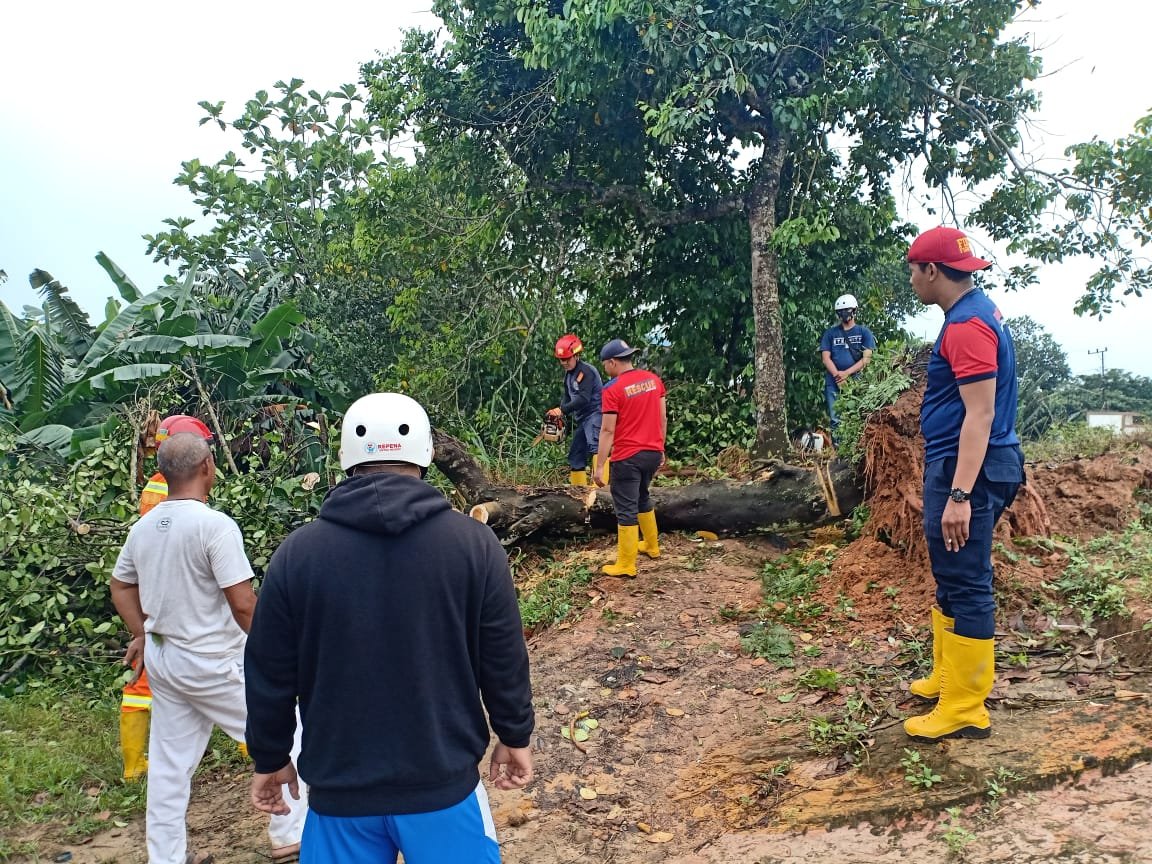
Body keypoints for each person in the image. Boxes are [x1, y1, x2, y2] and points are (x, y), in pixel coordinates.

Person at [245, 392, 534, 863]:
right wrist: (514, 735)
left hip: (340, 796)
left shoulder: (298, 555)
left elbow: (268, 671)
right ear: (424, 453)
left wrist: (271, 756)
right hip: (442, 790)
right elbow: (502, 655)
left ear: (345, 458)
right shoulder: (473, 545)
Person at [110, 432, 306, 864]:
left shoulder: (143, 527)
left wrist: (141, 633)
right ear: (206, 468)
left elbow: (121, 585)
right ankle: (290, 835)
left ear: (163, 473)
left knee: (168, 768)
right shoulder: (213, 526)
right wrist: (278, 654)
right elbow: (243, 603)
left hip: (165, 660)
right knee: (287, 736)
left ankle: (166, 857)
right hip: (216, 662)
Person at [903, 225, 1024, 742]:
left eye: (913, 271)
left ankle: (966, 706)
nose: (911, 281)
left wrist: (959, 495)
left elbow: (980, 415)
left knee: (968, 579)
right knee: (952, 573)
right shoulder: (974, 313)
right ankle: (948, 678)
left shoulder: (967, 326)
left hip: (968, 469)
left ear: (932, 271)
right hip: (963, 464)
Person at [119, 415, 216, 782]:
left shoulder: (154, 487)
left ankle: (135, 764)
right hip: (171, 597)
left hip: (154, 595)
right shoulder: (169, 497)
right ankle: (250, 746)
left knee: (150, 677)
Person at [593, 339, 667, 578]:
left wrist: (600, 465)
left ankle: (626, 564)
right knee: (642, 496)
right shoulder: (653, 381)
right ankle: (652, 546)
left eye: (605, 364)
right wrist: (661, 448)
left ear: (612, 362)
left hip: (627, 457)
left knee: (625, 508)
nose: (605, 368)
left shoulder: (612, 389)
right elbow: (663, 418)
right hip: (652, 453)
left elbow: (607, 430)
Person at [548, 333, 604, 486]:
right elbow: (567, 398)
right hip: (583, 419)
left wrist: (562, 410)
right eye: (561, 360)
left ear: (576, 355)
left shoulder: (586, 372)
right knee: (575, 454)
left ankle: (600, 492)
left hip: (595, 414)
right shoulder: (568, 376)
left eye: (567, 359)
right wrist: (559, 416)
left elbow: (583, 398)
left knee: (596, 448)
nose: (564, 362)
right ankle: (578, 493)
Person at [819, 294, 876, 432]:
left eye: (847, 310)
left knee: (857, 415)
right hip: (833, 382)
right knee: (835, 419)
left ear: (854, 310)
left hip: (857, 380)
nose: (844, 314)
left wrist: (847, 373)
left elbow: (866, 359)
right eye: (841, 311)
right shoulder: (830, 333)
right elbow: (826, 358)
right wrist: (837, 376)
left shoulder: (864, 332)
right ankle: (838, 448)